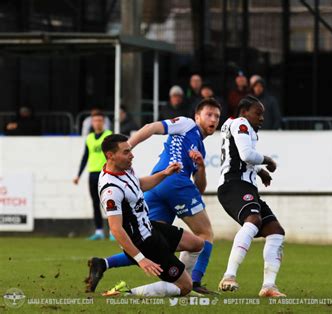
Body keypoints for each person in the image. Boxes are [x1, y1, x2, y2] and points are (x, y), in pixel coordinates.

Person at [86, 99, 222, 295]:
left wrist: (200, 166)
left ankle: (104, 263)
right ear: (197, 116)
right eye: (209, 114)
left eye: (217, 116)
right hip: (176, 184)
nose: (214, 119)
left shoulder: (199, 148)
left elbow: (199, 187)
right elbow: (151, 127)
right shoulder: (187, 124)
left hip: (157, 182)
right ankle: (193, 281)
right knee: (205, 233)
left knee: (150, 239)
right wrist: (129, 146)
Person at [89, 134, 204, 298]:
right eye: (126, 151)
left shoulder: (123, 169)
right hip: (144, 243)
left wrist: (165, 173)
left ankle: (178, 283)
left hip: (150, 227)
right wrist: (140, 258)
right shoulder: (111, 190)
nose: (132, 155)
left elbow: (140, 184)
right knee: (185, 286)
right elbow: (115, 229)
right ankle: (126, 293)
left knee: (197, 244)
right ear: (110, 156)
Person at [217, 95, 286, 297]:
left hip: (244, 185)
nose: (262, 118)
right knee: (253, 220)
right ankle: (228, 276)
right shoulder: (241, 123)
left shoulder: (234, 125)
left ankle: (269, 287)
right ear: (244, 111)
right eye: (258, 113)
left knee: (276, 231)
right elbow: (246, 155)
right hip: (233, 185)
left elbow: (237, 157)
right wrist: (267, 161)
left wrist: (258, 171)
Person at [74, 113, 113, 240]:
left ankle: (113, 231)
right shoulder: (89, 138)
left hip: (106, 173)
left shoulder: (108, 136)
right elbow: (85, 157)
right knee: (95, 203)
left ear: (103, 122)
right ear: (92, 123)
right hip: (92, 174)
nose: (98, 123)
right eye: (95, 120)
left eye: (100, 120)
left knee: (109, 203)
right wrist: (78, 175)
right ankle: (99, 231)